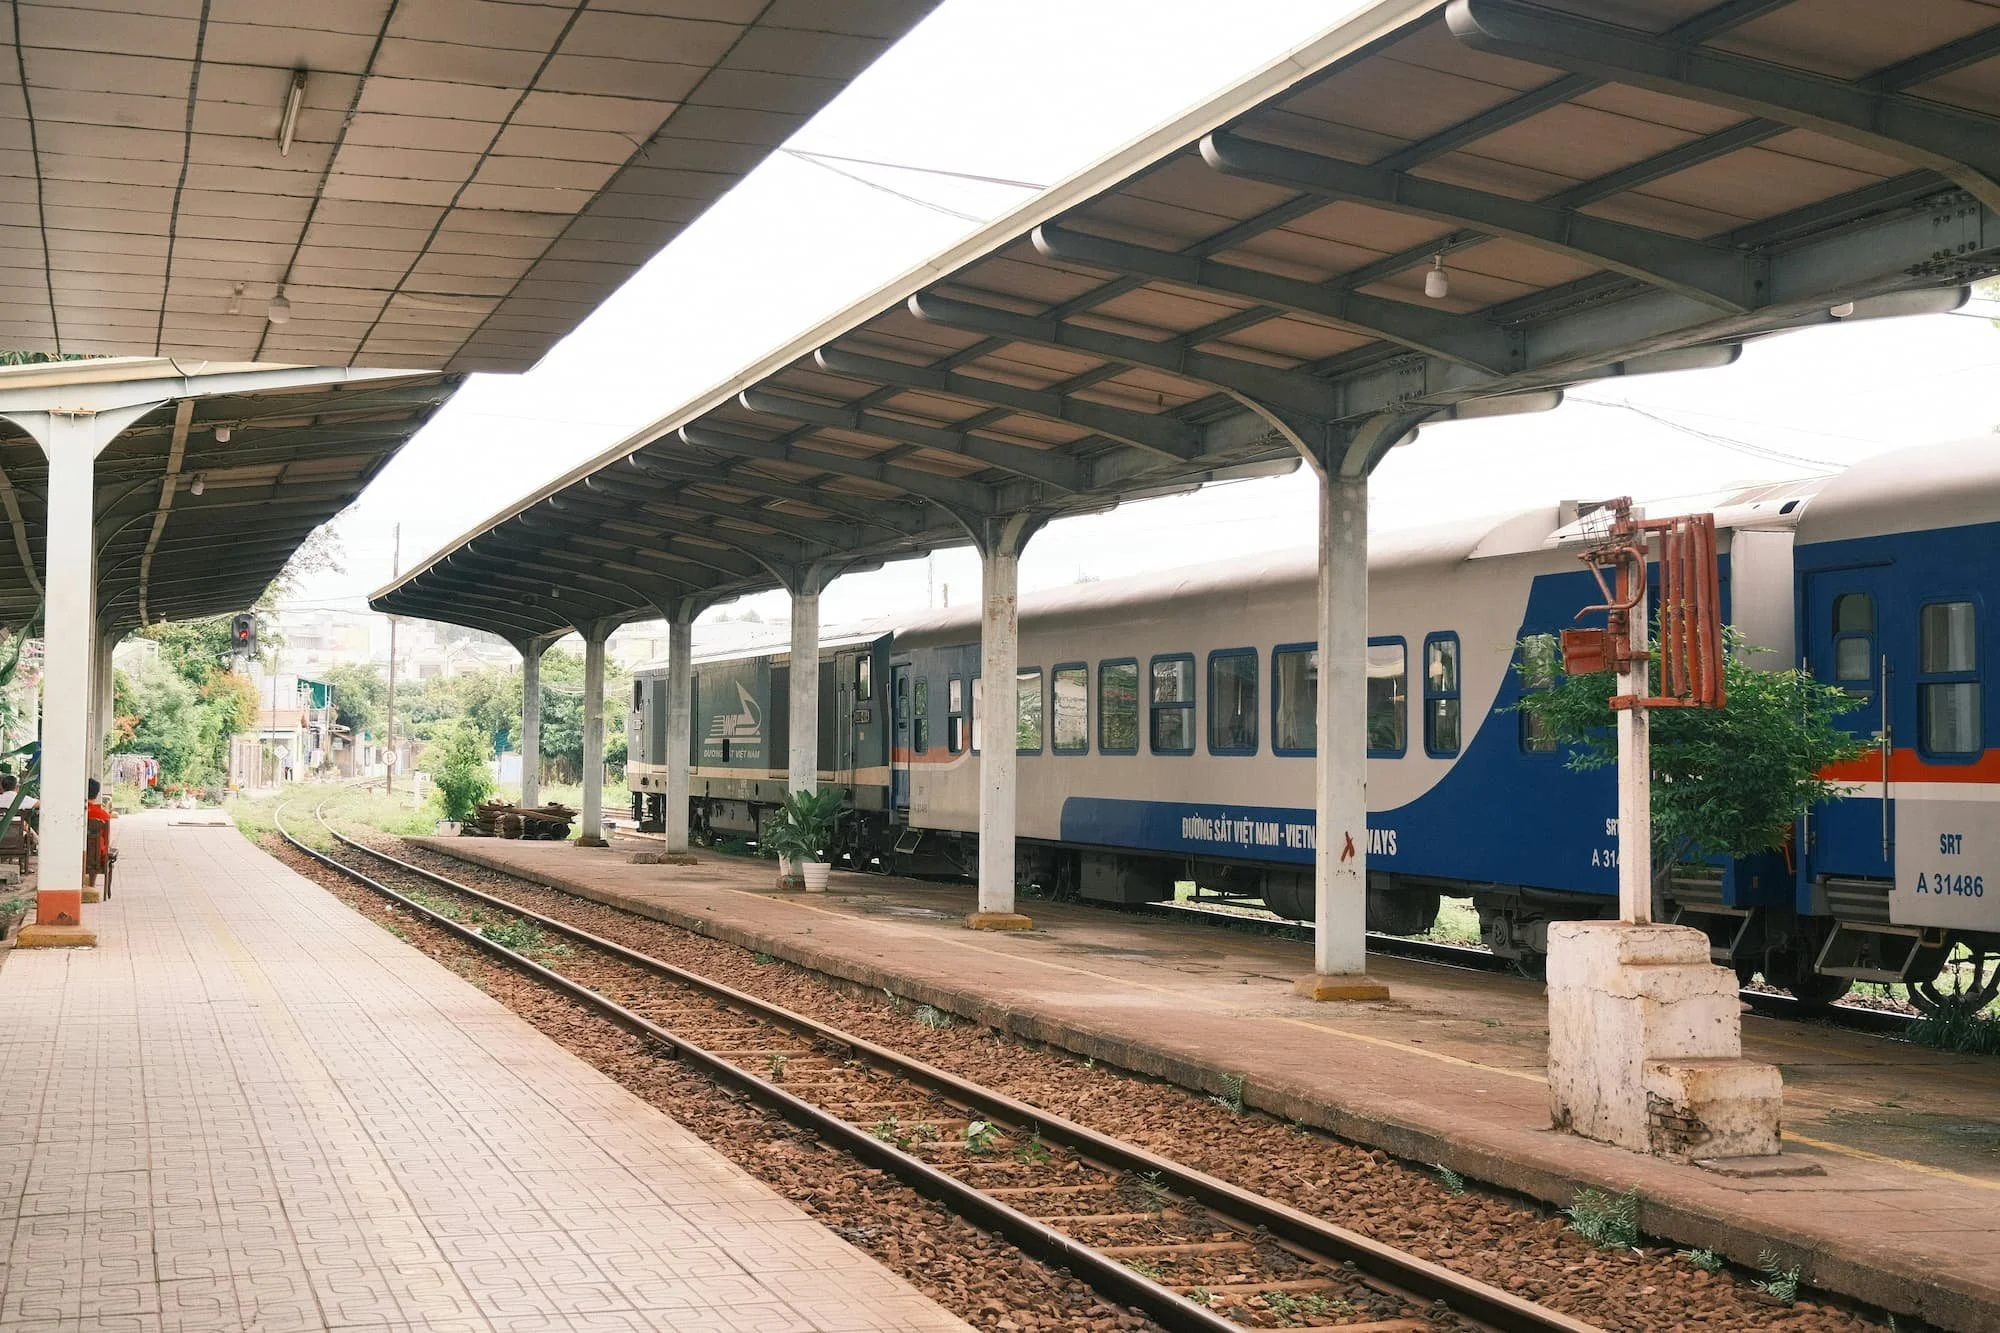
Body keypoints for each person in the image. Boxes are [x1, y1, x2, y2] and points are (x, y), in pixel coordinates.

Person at [86, 778, 112, 866]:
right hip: (96, 856)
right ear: (97, 794)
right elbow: (106, 839)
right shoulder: (104, 815)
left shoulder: (77, 812)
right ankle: (92, 880)